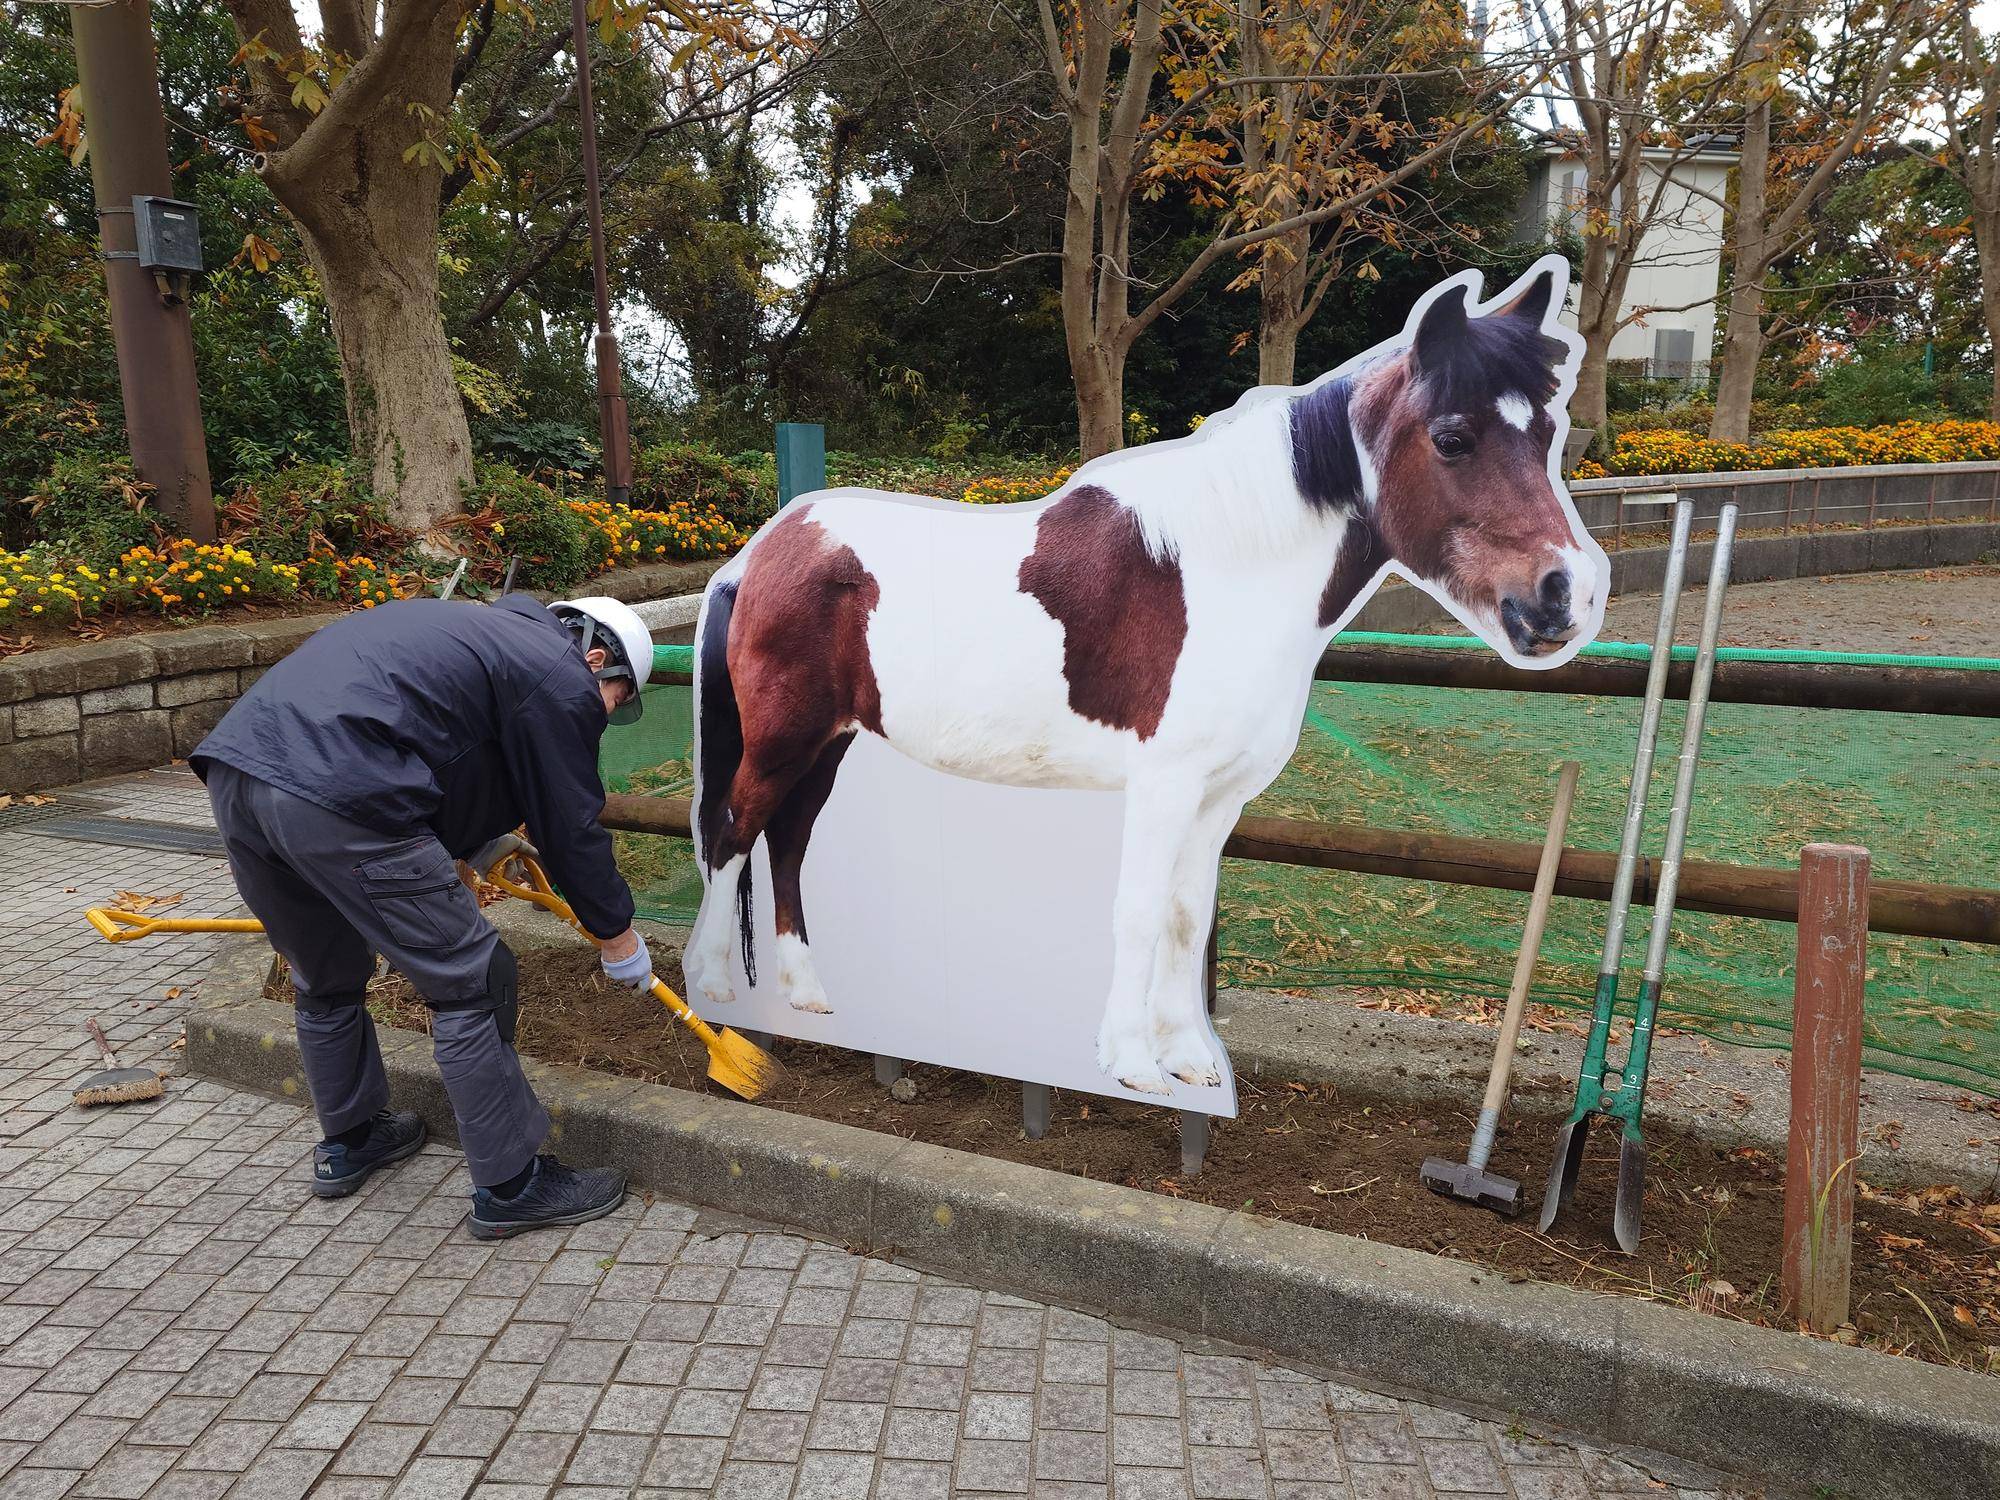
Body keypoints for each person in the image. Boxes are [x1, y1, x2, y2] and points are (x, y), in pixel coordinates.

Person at [191, 592, 660, 1239]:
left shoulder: (480, 632)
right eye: (618, 701)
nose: (605, 718)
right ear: (598, 658)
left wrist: (478, 838)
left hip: (240, 774)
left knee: (326, 970)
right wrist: (619, 936)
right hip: (344, 793)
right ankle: (513, 1185)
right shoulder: (558, 672)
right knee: (472, 977)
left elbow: (440, 748)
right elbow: (570, 826)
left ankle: (352, 1137)